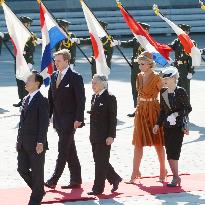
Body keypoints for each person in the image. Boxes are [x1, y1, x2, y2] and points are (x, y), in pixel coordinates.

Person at [45, 49, 85, 189]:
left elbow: (81, 100)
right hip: (58, 120)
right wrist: (47, 117)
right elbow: (51, 99)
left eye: (59, 61)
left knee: (62, 150)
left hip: (70, 121)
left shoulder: (75, 77)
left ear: (67, 61)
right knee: (69, 150)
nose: (56, 63)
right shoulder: (54, 75)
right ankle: (76, 179)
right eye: (55, 61)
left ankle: (53, 179)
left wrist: (79, 118)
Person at [129, 51, 166, 183]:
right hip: (141, 110)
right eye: (139, 63)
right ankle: (135, 172)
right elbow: (138, 94)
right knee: (138, 142)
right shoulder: (139, 76)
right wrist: (137, 109)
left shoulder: (157, 77)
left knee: (158, 142)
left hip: (154, 109)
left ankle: (163, 170)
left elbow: (164, 95)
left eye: (142, 63)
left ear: (150, 64)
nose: (140, 66)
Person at [153, 67, 192, 187]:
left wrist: (176, 114)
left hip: (178, 126)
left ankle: (175, 177)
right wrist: (157, 124)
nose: (164, 80)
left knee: (174, 151)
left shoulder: (181, 91)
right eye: (163, 78)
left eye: (167, 78)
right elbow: (162, 111)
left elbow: (188, 108)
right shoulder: (163, 92)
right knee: (169, 151)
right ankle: (176, 176)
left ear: (174, 78)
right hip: (167, 126)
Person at [16, 71, 49, 205]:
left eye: (29, 80)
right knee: (22, 169)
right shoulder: (25, 99)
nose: (26, 82)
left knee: (37, 172)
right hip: (23, 143)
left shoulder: (42, 100)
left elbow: (44, 123)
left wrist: (41, 141)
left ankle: (35, 198)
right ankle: (39, 189)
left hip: (36, 143)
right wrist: (18, 140)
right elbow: (22, 123)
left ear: (37, 83)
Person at [87, 74, 122, 195]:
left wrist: (111, 135)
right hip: (94, 135)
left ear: (103, 83)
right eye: (92, 83)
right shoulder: (94, 97)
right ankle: (114, 178)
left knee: (101, 163)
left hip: (105, 136)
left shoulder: (110, 97)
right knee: (100, 160)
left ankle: (98, 188)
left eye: (95, 83)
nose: (93, 85)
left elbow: (113, 118)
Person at [118, 23, 150, 117]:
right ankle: (137, 109)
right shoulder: (136, 39)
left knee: (144, 89)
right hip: (135, 68)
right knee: (135, 89)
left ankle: (146, 109)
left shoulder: (149, 41)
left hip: (145, 69)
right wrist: (118, 43)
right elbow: (128, 44)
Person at [13, 16, 41, 107]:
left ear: (28, 24)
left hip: (27, 61)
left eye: (24, 23)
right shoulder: (18, 33)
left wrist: (29, 62)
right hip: (19, 61)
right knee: (19, 81)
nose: (22, 24)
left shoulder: (30, 35)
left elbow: (31, 49)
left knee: (26, 82)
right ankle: (22, 99)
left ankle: (27, 99)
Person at [169, 24, 195, 102]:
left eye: (184, 31)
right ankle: (178, 107)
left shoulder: (191, 42)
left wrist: (190, 71)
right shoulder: (177, 41)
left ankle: (186, 109)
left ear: (187, 32)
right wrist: (160, 48)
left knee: (185, 89)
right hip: (177, 68)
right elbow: (170, 47)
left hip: (185, 68)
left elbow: (192, 58)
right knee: (177, 88)